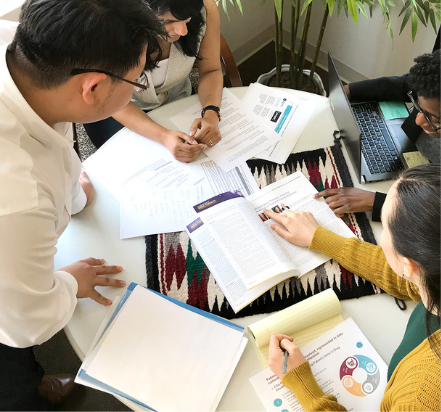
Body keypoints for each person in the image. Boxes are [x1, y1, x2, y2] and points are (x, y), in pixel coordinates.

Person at [0, 0, 164, 410]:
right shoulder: (18, 196)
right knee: (10, 366)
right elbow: (26, 322)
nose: (137, 85)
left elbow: (53, 136)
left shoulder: (22, 55)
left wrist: (72, 193)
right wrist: (71, 282)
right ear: (91, 87)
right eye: (136, 78)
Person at [264, 164, 440, 411]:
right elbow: (405, 276)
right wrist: (320, 238)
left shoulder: (422, 396)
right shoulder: (433, 280)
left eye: (386, 227)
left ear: (409, 262)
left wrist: (303, 387)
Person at [84, 0, 223, 163]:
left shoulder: (205, 7)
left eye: (187, 19)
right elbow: (109, 98)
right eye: (168, 21)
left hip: (177, 97)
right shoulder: (108, 24)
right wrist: (164, 137)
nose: (183, 31)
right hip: (121, 107)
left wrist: (212, 113)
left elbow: (211, 70)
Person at [315, 50, 440, 221]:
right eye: (419, 107)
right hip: (408, 148)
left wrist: (376, 202)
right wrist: (348, 91)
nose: (418, 120)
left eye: (433, 118)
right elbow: (405, 84)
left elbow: (435, 218)